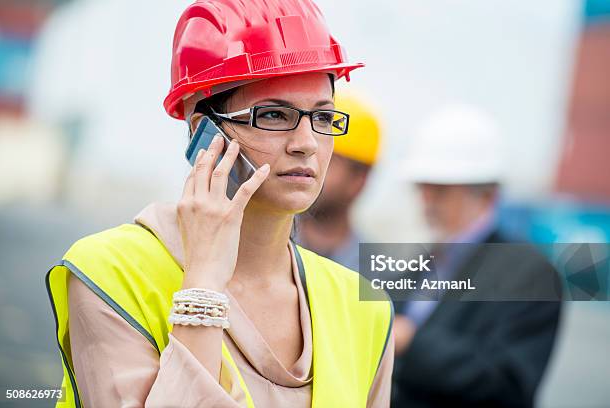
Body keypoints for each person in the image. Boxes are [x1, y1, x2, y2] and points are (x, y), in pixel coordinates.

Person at [45, 1, 394, 407]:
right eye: (275, 115)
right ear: (204, 132)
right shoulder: (109, 271)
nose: (306, 144)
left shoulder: (361, 304)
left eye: (322, 117)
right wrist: (204, 284)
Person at [391, 105, 562, 408]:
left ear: (486, 194)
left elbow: (510, 384)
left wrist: (411, 342)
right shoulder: (418, 266)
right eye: (423, 189)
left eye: (440, 190)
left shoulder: (530, 274)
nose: (426, 201)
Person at [297, 91, 382, 271]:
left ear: (359, 179)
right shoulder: (264, 251)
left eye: (330, 159)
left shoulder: (378, 272)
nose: (310, 165)